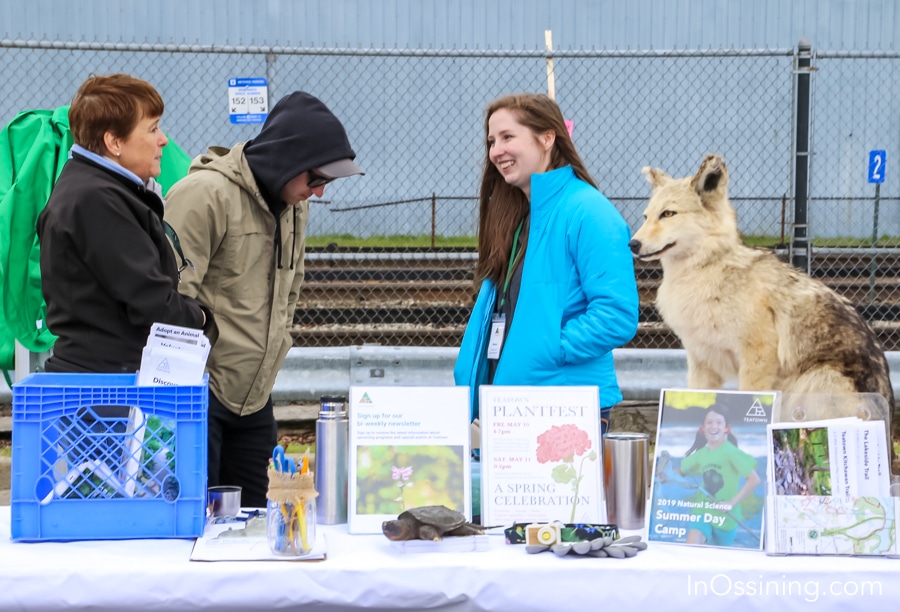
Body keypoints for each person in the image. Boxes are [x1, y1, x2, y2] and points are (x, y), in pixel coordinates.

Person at [164, 91, 364, 508]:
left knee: (258, 525)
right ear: (286, 160)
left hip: (254, 397)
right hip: (201, 393)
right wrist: (187, 385)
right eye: (317, 179)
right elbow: (170, 298)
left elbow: (291, 285)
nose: (321, 193)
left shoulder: (293, 203)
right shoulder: (204, 195)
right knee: (193, 527)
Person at [453, 93, 639, 433]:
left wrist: (547, 347)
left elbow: (617, 315)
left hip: (560, 410)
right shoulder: (523, 218)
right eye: (492, 141)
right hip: (512, 407)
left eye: (508, 137)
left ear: (547, 138)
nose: (496, 151)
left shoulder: (589, 212)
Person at [37, 73, 212, 374]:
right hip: (105, 389)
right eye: (153, 128)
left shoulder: (93, 188)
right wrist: (202, 318)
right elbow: (151, 301)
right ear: (114, 141)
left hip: (104, 376)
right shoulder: (97, 201)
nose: (163, 140)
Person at [678, 407, 761, 546]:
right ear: (703, 428)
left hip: (726, 517)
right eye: (709, 422)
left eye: (718, 422)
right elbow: (681, 471)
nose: (713, 426)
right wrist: (663, 473)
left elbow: (754, 480)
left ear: (727, 429)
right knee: (692, 543)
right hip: (702, 510)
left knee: (719, 559)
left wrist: (731, 503)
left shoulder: (731, 452)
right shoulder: (702, 454)